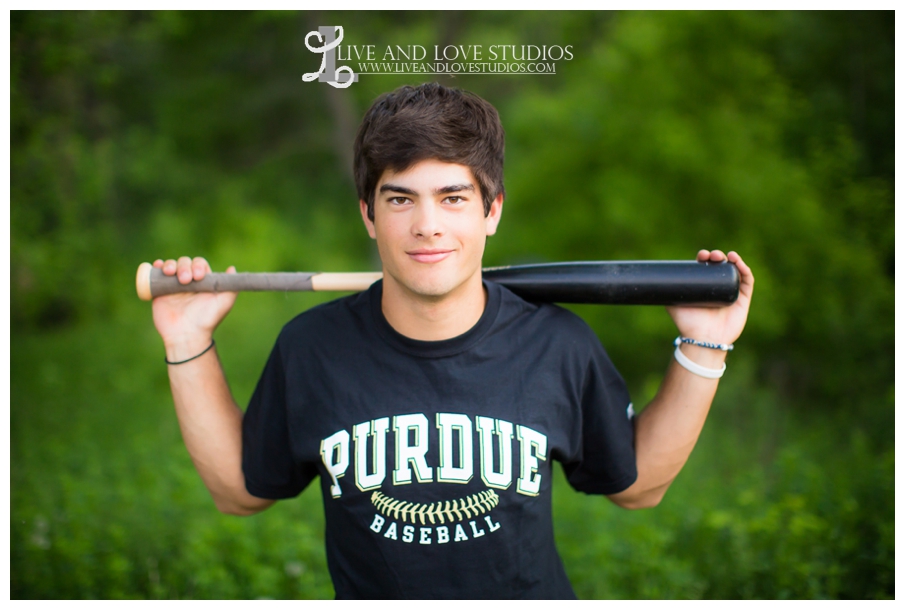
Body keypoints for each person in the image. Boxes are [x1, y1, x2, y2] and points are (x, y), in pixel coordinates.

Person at [149, 83, 754, 599]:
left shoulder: (557, 345)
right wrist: (188, 338)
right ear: (368, 214)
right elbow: (238, 492)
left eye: (453, 198)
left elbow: (639, 486)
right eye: (401, 199)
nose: (427, 225)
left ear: (491, 210)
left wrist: (704, 346)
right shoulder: (312, 348)